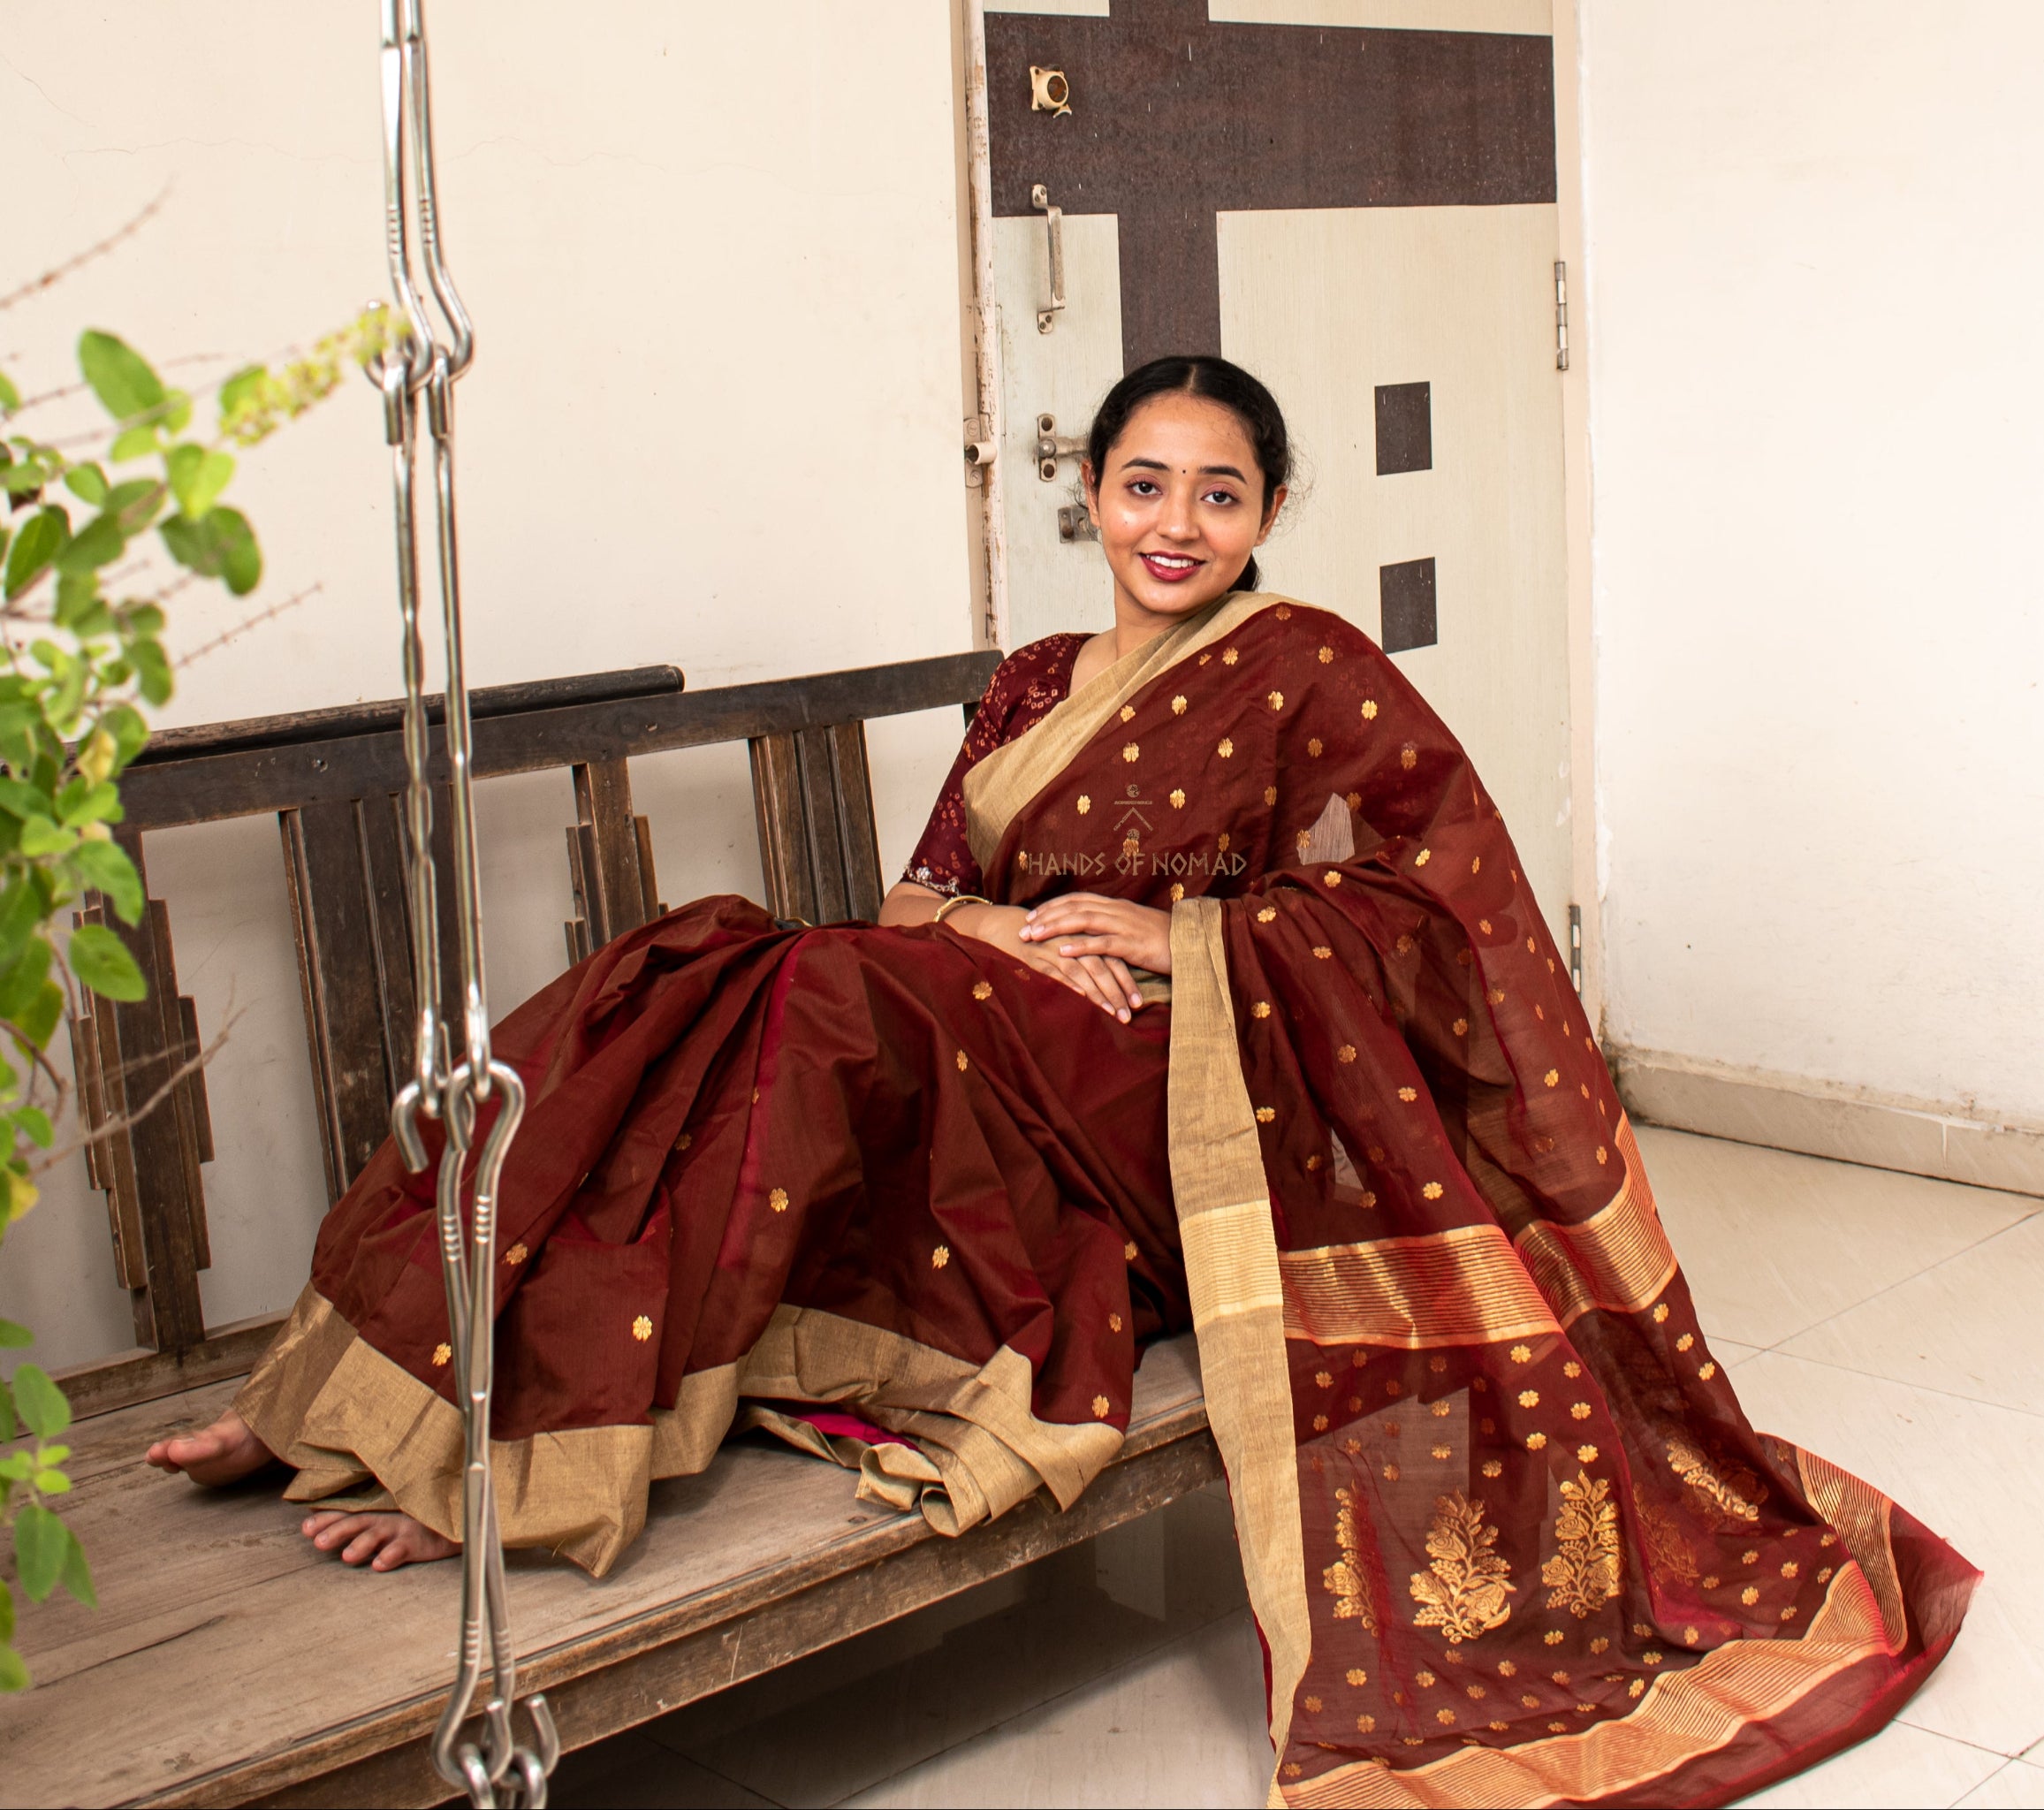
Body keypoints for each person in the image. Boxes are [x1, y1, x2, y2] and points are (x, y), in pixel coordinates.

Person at [148, 355, 1974, 1806]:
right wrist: (1016, 935)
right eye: (1140, 483)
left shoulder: (1307, 671)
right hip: (976, 1030)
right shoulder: (1030, 680)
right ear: (1088, 493)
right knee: (708, 969)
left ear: (1266, 512)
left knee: (804, 999)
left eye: (1216, 491)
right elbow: (916, 895)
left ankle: (479, 1450)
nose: (1171, 521)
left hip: (1180, 1103)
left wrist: (1174, 937)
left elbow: (1436, 918)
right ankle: (382, 1372)